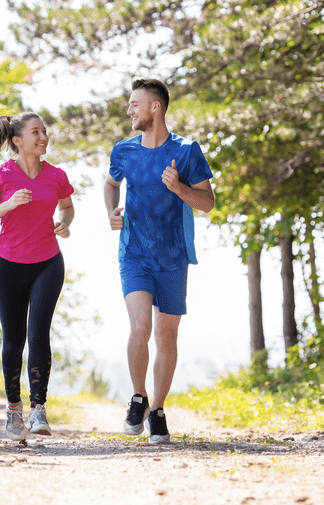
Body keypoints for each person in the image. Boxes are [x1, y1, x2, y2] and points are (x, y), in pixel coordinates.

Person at [104, 78, 215, 444]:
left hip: (173, 257)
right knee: (139, 328)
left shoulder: (186, 151)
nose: (129, 110)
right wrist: (111, 212)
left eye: (135, 104)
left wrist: (178, 188)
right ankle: (138, 397)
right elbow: (110, 184)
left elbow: (207, 203)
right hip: (134, 253)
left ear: (155, 107)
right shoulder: (123, 150)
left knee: (166, 336)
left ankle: (159, 410)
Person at [0, 112, 74, 441]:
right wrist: (8, 205)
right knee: (14, 340)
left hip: (47, 262)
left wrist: (64, 222)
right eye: (36, 132)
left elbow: (67, 206)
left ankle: (39, 409)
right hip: (9, 265)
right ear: (17, 140)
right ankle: (14, 410)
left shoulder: (56, 175)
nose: (43, 137)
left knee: (39, 333)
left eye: (45, 131)